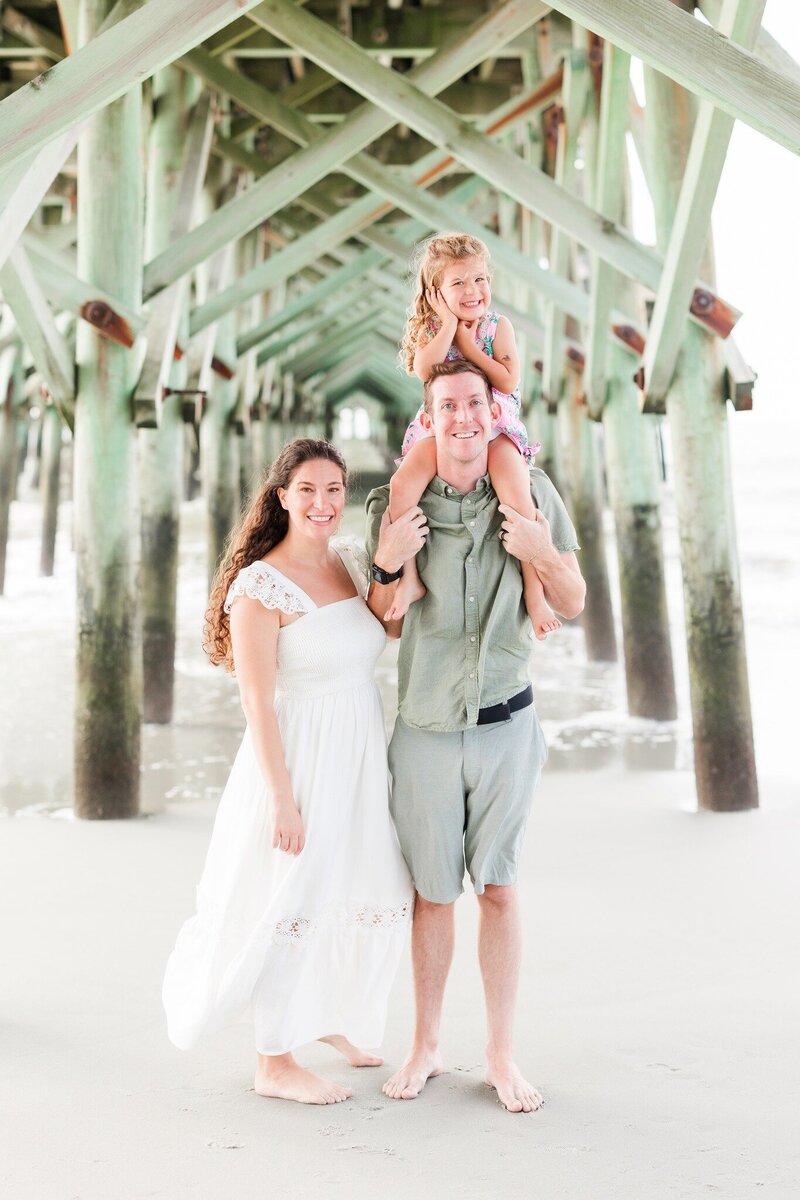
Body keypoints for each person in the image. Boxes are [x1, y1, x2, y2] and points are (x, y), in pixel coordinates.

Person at [163, 439, 414, 1106]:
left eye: (334, 489)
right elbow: (256, 701)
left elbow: (385, 633)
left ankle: (326, 1017)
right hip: (298, 761)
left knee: (361, 878)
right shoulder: (259, 586)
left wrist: (393, 560)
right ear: (281, 497)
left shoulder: (347, 559)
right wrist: (282, 799)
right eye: (307, 489)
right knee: (292, 896)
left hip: (357, 753)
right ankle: (273, 1061)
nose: (324, 503)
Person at [366, 360, 586, 1113]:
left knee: (498, 889)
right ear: (428, 418)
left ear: (493, 413)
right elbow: (378, 614)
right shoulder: (397, 502)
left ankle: (499, 1052)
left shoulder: (534, 490)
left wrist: (539, 551)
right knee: (433, 896)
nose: (461, 418)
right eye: (446, 406)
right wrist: (385, 566)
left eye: (473, 404)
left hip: (507, 724)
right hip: (425, 728)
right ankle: (425, 1044)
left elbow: (575, 598)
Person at [386, 232, 560, 642]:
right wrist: (448, 325)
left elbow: (506, 378)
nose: (472, 290)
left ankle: (535, 595)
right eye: (458, 283)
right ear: (435, 291)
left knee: (518, 499)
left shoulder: (498, 327)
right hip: (442, 427)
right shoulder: (432, 329)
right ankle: (409, 578)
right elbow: (425, 370)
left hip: (494, 424)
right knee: (401, 486)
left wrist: (468, 343)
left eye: (479, 279)